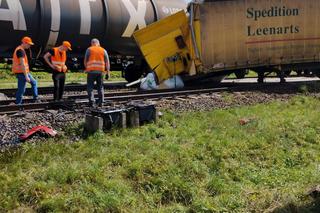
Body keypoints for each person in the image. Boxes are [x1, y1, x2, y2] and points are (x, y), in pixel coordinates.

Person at [12, 36, 39, 105]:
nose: (29, 45)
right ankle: (18, 103)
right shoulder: (20, 51)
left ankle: (35, 98)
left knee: (34, 83)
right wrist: (26, 76)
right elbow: (22, 64)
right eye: (28, 44)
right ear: (24, 43)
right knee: (21, 90)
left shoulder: (21, 50)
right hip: (22, 73)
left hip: (23, 72)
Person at [84, 38, 110, 107]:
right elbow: (107, 62)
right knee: (100, 87)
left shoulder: (89, 49)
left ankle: (92, 102)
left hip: (91, 72)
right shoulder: (103, 50)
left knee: (90, 87)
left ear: (92, 43)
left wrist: (87, 68)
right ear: (98, 43)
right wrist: (108, 72)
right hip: (100, 72)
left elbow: (85, 60)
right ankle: (101, 102)